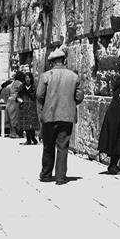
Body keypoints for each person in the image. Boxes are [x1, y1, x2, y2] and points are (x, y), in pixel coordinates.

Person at [36, 48, 84, 185]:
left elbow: (39, 95)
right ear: (64, 61)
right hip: (66, 116)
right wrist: (70, 102)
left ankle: (46, 174)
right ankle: (61, 177)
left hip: (49, 115)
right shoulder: (74, 77)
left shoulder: (46, 76)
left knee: (48, 145)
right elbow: (79, 96)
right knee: (63, 146)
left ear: (52, 62)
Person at [19, 72, 39, 145]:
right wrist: (20, 100)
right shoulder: (22, 86)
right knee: (26, 123)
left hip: (32, 105)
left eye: (29, 77)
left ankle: (33, 137)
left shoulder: (34, 87)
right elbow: (18, 96)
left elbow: (36, 96)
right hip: (24, 106)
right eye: (26, 78)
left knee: (32, 122)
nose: (27, 79)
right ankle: (28, 139)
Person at [5, 72, 25, 139]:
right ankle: (15, 133)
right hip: (15, 100)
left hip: (9, 100)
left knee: (11, 117)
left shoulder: (13, 82)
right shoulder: (19, 83)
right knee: (15, 117)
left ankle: (12, 133)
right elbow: (22, 90)